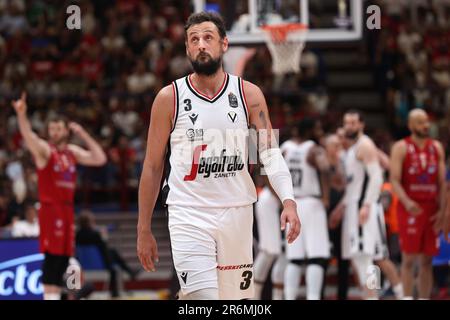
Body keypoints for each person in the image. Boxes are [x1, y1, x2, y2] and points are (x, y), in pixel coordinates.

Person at [137, 12, 300, 300]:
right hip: (187, 212)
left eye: (208, 37)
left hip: (237, 211)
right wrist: (143, 228)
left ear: (224, 44)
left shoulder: (249, 95)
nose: (201, 44)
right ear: (187, 49)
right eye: (194, 39)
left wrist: (288, 201)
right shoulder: (168, 98)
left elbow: (269, 154)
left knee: (235, 303)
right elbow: (152, 167)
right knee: (204, 298)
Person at [11, 92, 107, 300]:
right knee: (53, 260)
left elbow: (100, 158)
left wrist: (83, 134)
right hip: (50, 209)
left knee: (66, 259)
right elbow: (30, 138)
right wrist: (21, 115)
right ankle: (54, 296)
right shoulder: (46, 151)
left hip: (67, 210)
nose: (53, 132)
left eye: (58, 129)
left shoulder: (72, 152)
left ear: (66, 130)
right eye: (51, 129)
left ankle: (68, 294)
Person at [330, 110, 389, 300]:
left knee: (367, 257)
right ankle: (370, 295)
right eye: (347, 123)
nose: (350, 126)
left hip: (363, 208)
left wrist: (366, 205)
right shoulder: (352, 148)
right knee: (358, 258)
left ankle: (374, 297)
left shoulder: (365, 145)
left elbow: (377, 177)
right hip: (353, 207)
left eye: (354, 123)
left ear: (362, 124)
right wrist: (341, 208)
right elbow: (351, 185)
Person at [390, 109, 447, 299]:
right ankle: (406, 297)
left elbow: (442, 184)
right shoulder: (401, 147)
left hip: (431, 208)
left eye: (427, 122)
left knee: (427, 261)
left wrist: (443, 211)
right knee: (408, 259)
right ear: (410, 125)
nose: (426, 125)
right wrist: (406, 202)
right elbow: (394, 180)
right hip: (410, 209)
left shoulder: (436, 147)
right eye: (421, 122)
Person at [282, 118, 331, 300]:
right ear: (309, 130)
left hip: (292, 204)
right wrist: (326, 196)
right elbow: (325, 168)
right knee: (316, 255)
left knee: (294, 257)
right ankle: (313, 297)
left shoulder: (284, 148)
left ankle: (289, 297)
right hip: (311, 203)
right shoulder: (314, 149)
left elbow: (266, 171)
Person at [76, 211, 140, 298]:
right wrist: (104, 237)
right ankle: (115, 291)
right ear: (90, 222)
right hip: (100, 263)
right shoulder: (95, 234)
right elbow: (103, 248)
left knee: (113, 253)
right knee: (113, 263)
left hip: (83, 264)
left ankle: (130, 272)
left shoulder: (77, 235)